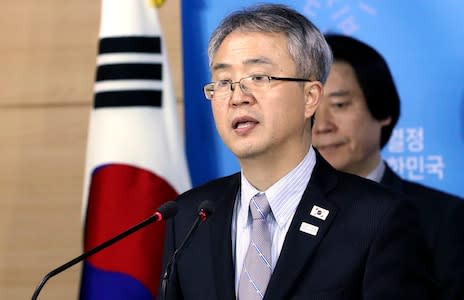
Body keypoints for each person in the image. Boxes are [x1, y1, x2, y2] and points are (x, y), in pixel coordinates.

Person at [159, 4, 435, 300]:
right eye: (224, 82)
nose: (238, 97)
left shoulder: (377, 218)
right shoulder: (189, 217)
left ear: (310, 97)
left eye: (259, 77)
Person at [312, 33, 464, 299]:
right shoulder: (277, 217)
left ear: (382, 110)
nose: (322, 125)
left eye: (339, 105)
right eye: (310, 110)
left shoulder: (445, 218)